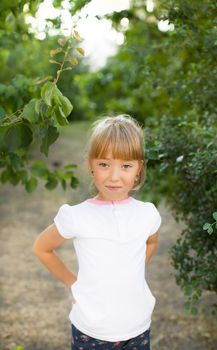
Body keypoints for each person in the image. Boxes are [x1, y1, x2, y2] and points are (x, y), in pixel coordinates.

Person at [33, 114, 162, 350]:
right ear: (91, 165)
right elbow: (42, 248)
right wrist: (72, 282)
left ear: (138, 169)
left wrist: (130, 270)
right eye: (104, 164)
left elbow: (151, 243)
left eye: (125, 165)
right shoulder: (77, 216)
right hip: (91, 330)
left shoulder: (148, 214)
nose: (114, 176)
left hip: (138, 326)